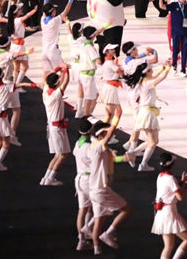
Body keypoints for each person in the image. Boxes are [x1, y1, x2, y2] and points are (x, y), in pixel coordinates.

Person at [88, 108, 132, 255]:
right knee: (126, 210)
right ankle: (109, 233)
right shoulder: (99, 147)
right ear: (101, 135)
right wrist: (116, 119)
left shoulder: (95, 146)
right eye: (105, 133)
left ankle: (96, 248)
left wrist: (123, 158)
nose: (108, 134)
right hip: (101, 189)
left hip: (93, 189)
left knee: (99, 219)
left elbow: (111, 157)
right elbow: (108, 133)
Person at [124, 61, 170, 172]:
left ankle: (133, 154)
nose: (152, 71)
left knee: (154, 141)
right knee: (153, 142)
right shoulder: (147, 83)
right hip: (147, 114)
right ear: (147, 72)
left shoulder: (143, 81)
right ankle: (141, 162)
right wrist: (168, 68)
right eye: (151, 70)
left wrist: (162, 69)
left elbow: (154, 76)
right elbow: (160, 78)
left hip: (145, 112)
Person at [151, 152, 187, 259]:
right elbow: (180, 197)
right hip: (169, 213)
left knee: (168, 246)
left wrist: (182, 182)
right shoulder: (170, 178)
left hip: (161, 213)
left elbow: (169, 190)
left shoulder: (160, 176)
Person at [40, 65, 71, 186]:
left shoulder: (45, 90)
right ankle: (49, 178)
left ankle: (46, 178)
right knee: (62, 154)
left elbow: (48, 79)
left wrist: (58, 69)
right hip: (57, 127)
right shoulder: (56, 94)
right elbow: (66, 81)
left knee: (58, 154)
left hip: (52, 125)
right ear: (57, 83)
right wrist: (66, 70)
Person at [40, 0, 77, 77]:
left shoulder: (43, 19)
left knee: (46, 73)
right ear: (53, 12)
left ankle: (45, 89)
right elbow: (65, 12)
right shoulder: (54, 21)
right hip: (53, 51)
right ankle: (60, 89)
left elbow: (44, 10)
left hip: (44, 51)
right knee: (63, 71)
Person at [160, 0, 187, 75]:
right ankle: (174, 65)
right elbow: (162, 6)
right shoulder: (174, 5)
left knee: (184, 51)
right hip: (175, 32)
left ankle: (183, 69)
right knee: (175, 50)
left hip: (186, 32)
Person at [73, 119, 95, 251]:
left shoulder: (78, 143)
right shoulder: (89, 147)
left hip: (79, 178)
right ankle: (88, 230)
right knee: (94, 208)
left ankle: (81, 239)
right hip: (89, 179)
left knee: (82, 209)